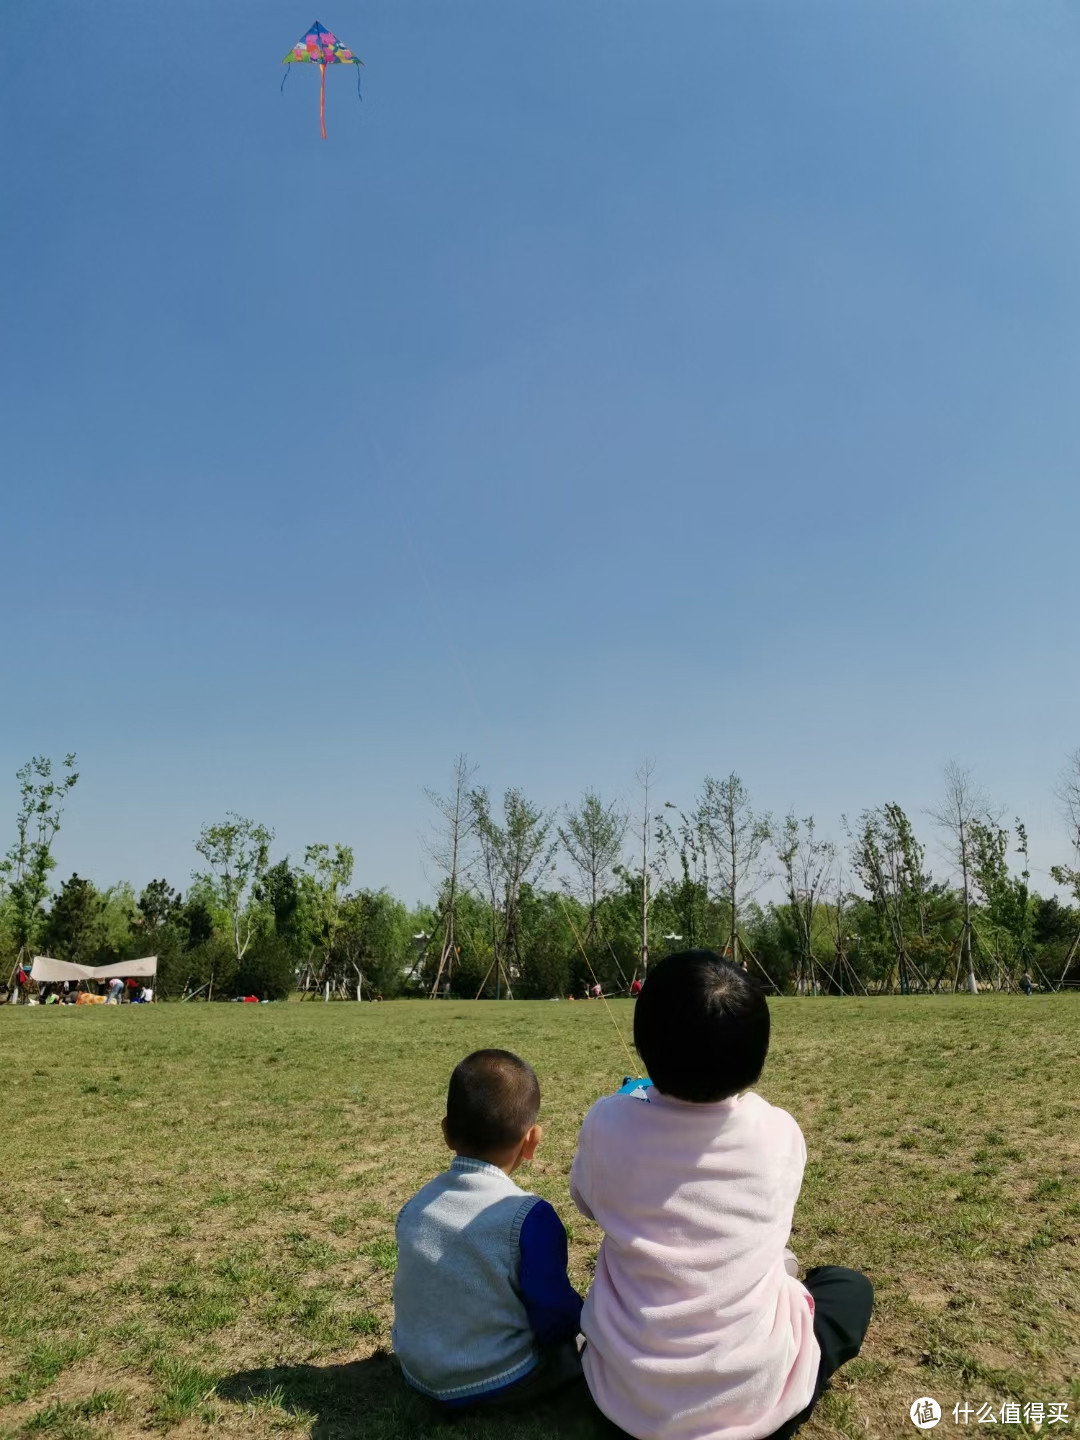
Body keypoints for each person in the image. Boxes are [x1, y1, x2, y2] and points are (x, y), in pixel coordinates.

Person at [570, 950, 873, 1440]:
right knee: (849, 1288)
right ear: (757, 1056)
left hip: (625, 1396)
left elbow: (585, 1201)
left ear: (643, 1042)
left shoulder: (606, 1120)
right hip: (756, 1397)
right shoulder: (778, 1131)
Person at [393, 1049, 583, 1412]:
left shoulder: (415, 1205)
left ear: (447, 1132)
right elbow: (554, 1317)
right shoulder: (530, 1217)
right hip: (497, 1380)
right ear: (532, 1141)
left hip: (417, 1373)